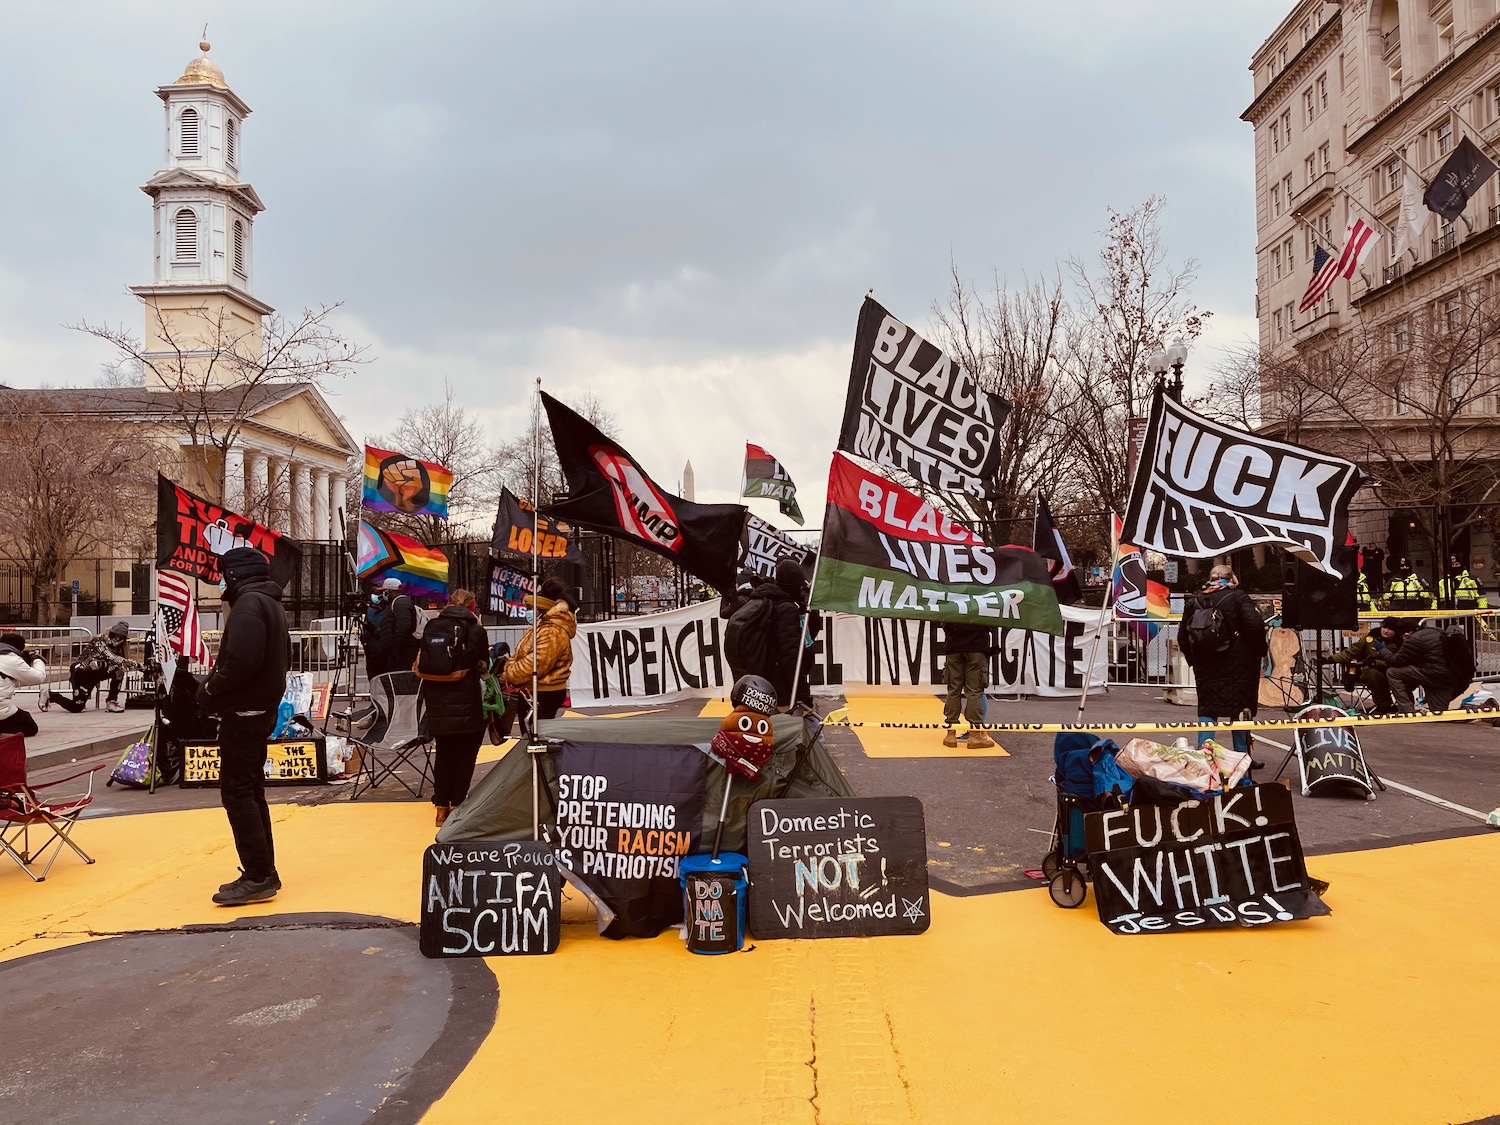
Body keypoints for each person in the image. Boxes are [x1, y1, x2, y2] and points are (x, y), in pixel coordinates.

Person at [197, 546, 290, 907]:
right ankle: (263, 869)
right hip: (258, 709)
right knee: (250, 790)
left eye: (221, 574)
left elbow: (240, 662)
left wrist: (210, 689)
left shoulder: (250, 605)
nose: (218, 580)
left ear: (234, 574)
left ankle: (257, 875)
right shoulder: (266, 602)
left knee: (238, 793)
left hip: (245, 712)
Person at [1178, 565, 1268, 757]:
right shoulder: (1238, 598)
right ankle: (1242, 758)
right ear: (1231, 578)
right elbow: (1255, 625)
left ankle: (1204, 754)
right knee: (1240, 710)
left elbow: (1183, 636)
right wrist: (1259, 651)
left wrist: (1194, 660)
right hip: (1239, 666)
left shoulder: (1195, 600)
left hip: (1206, 666)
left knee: (1207, 709)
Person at [419, 588, 491, 828]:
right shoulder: (476, 630)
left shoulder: (433, 626)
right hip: (467, 699)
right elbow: (483, 664)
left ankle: (441, 807)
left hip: (436, 700)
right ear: (472, 607)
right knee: (466, 754)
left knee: (444, 752)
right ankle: (458, 804)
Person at [500, 577, 579, 732]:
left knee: (536, 739)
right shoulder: (540, 628)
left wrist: (508, 673)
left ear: (541, 609)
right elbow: (520, 656)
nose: (528, 612)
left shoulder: (551, 631)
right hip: (534, 690)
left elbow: (535, 664)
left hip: (544, 693)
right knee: (530, 736)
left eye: (531, 608)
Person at [46, 622, 134, 713]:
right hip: (81, 672)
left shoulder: (120, 647)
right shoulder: (99, 640)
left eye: (121, 637)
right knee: (76, 707)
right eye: (116, 636)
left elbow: (118, 663)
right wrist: (128, 663)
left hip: (96, 675)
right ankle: (51, 695)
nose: (117, 639)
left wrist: (137, 666)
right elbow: (109, 656)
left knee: (119, 671)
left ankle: (111, 701)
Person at [1380, 616, 1464, 712]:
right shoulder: (1436, 631)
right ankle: (1468, 715)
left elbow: (1396, 661)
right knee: (1439, 712)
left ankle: (1407, 710)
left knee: (1392, 673)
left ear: (1407, 632)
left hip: (1431, 674)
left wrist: (1382, 649)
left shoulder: (1414, 639)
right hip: (1447, 676)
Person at [941, 623, 996, 749]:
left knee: (953, 690)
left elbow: (943, 620)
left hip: (953, 646)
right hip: (976, 646)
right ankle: (975, 735)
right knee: (974, 691)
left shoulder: (951, 601)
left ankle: (951, 733)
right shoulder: (983, 602)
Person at [1328, 626, 1394, 714]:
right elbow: (1351, 652)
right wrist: (1330, 659)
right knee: (1371, 673)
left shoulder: (1400, 641)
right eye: (1384, 627)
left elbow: (1398, 660)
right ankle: (1383, 705)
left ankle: (1400, 706)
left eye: (1390, 629)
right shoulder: (1369, 638)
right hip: (1373, 672)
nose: (1386, 630)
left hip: (1393, 671)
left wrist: (1375, 662)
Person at [0, 632, 47, 738]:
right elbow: (38, 677)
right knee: (30, 728)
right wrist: (37, 659)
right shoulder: (13, 660)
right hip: (1, 709)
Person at [375, 576, 420, 674]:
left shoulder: (401, 603)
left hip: (402, 652)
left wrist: (396, 650)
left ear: (389, 591)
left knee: (399, 676)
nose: (382, 594)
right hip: (399, 651)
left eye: (384, 591)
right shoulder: (398, 602)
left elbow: (403, 627)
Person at [360, 591, 390, 681]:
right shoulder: (371, 609)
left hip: (384, 650)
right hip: (371, 650)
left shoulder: (390, 609)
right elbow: (366, 625)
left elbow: (389, 630)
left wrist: (375, 630)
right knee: (372, 677)